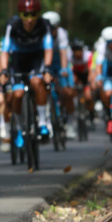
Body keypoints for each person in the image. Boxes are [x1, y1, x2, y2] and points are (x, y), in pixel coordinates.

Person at [0, 0, 54, 148]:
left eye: (33, 14)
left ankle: (42, 123)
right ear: (20, 15)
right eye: (25, 15)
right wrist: (3, 70)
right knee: (17, 94)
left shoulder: (44, 24)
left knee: (37, 81)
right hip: (18, 60)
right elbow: (5, 50)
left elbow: (49, 48)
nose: (29, 19)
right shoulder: (13, 24)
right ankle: (20, 129)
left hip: (36, 58)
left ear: (38, 15)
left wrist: (47, 69)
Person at [42, 11, 76, 139]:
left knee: (67, 92)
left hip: (61, 63)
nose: (51, 31)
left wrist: (63, 69)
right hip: (47, 63)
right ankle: (45, 121)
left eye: (53, 28)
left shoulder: (62, 34)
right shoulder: (42, 33)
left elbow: (63, 53)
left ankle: (71, 122)